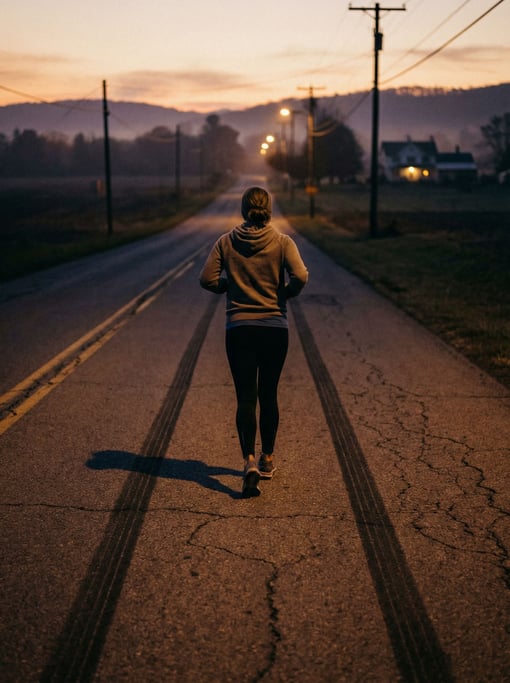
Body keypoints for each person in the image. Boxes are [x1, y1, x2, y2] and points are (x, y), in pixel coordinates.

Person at [199, 186, 308, 498]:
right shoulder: (283, 242)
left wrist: (227, 287)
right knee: (269, 394)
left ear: (244, 209)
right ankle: (268, 459)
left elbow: (206, 279)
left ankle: (248, 461)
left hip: (239, 328)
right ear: (269, 209)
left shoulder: (225, 242)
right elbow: (300, 275)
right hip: (275, 327)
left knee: (245, 397)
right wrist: (285, 294)